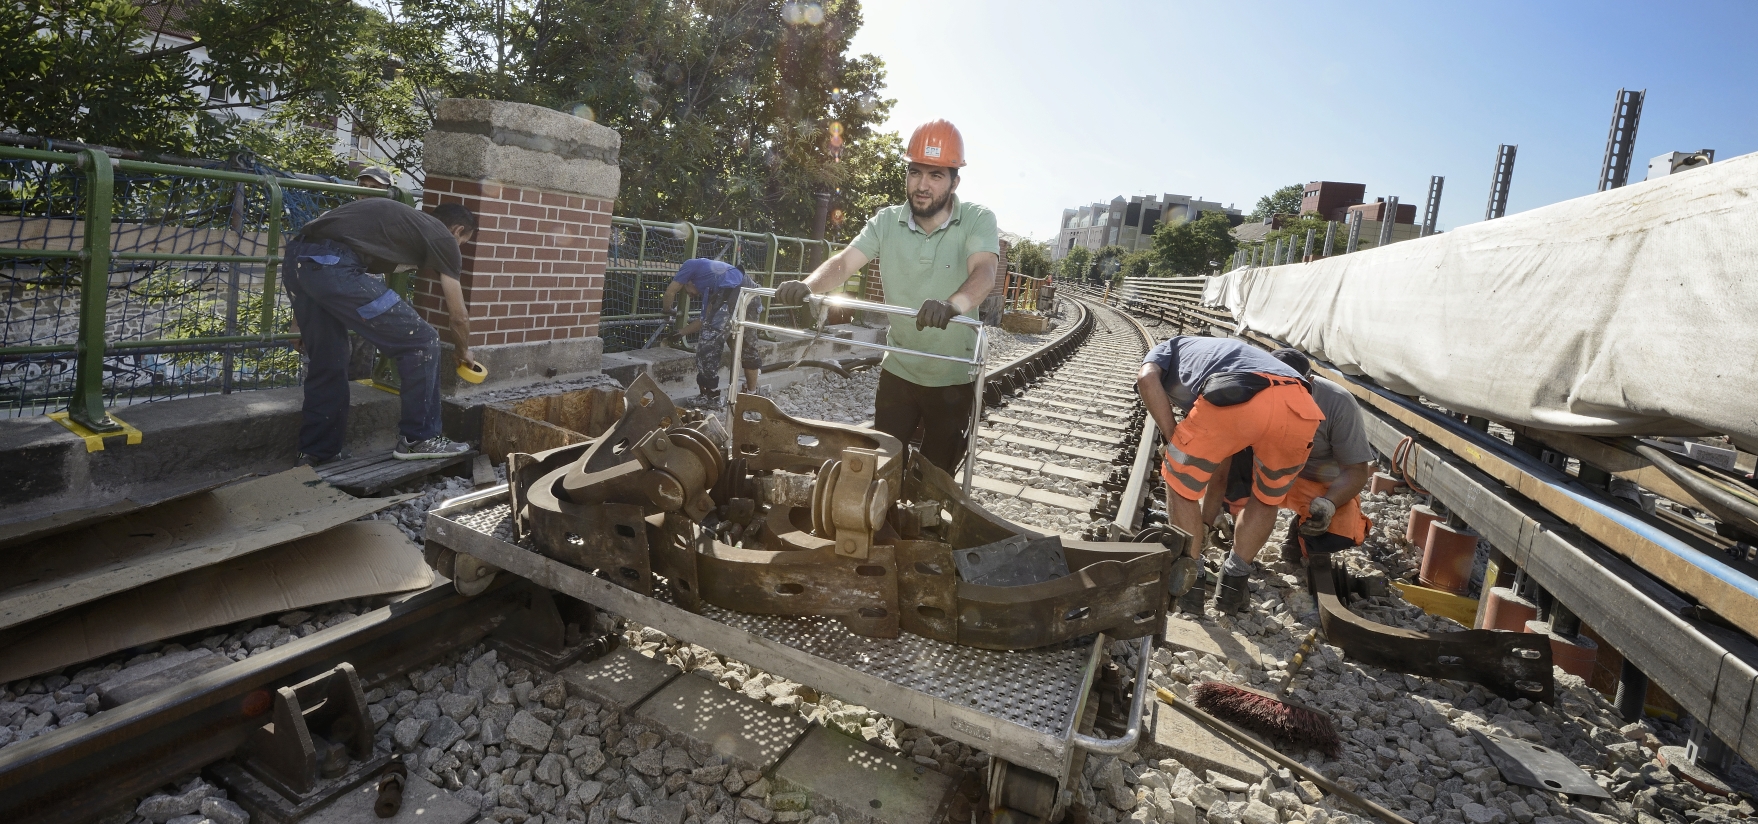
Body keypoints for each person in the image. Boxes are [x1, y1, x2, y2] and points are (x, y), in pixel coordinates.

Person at [774, 120, 999, 472]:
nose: (922, 186)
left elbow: (984, 272)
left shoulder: (976, 220)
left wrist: (952, 305)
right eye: (915, 172)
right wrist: (808, 285)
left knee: (938, 477)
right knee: (881, 468)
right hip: (899, 368)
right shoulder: (886, 221)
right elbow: (845, 262)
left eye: (935, 175)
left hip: (952, 377)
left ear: (955, 181)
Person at [1135, 336, 1325, 614]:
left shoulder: (1165, 349)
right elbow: (1219, 472)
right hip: (1299, 404)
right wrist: (1207, 521)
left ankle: (1190, 584)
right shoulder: (1220, 355)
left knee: (1179, 482)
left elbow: (1146, 378)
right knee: (1267, 498)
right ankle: (1234, 585)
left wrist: (1170, 435)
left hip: (1238, 393)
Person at [285, 198, 479, 463]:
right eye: (462, 243)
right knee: (422, 340)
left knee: (328, 360)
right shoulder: (443, 237)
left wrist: (299, 321)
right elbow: (458, 316)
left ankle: (318, 452)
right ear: (457, 231)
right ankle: (419, 438)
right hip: (333, 266)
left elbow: (311, 253)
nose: (457, 249)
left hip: (298, 261)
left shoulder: (399, 228)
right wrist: (462, 349)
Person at [1203, 348, 1374, 564]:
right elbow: (1221, 451)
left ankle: (1300, 534)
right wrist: (1213, 507)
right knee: (1236, 454)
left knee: (1337, 534)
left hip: (1311, 481)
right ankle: (1241, 535)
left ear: (1309, 382)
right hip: (1263, 472)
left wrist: (1329, 504)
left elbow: (1356, 470)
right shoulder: (1251, 391)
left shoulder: (1338, 403)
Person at [661, 257, 763, 409]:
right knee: (745, 345)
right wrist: (681, 333)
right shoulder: (712, 285)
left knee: (707, 345)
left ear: (689, 281)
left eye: (687, 291)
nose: (690, 295)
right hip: (751, 292)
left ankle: (710, 396)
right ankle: (752, 394)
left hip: (732, 291)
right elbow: (705, 320)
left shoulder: (690, 265)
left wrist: (667, 310)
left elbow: (670, 292)